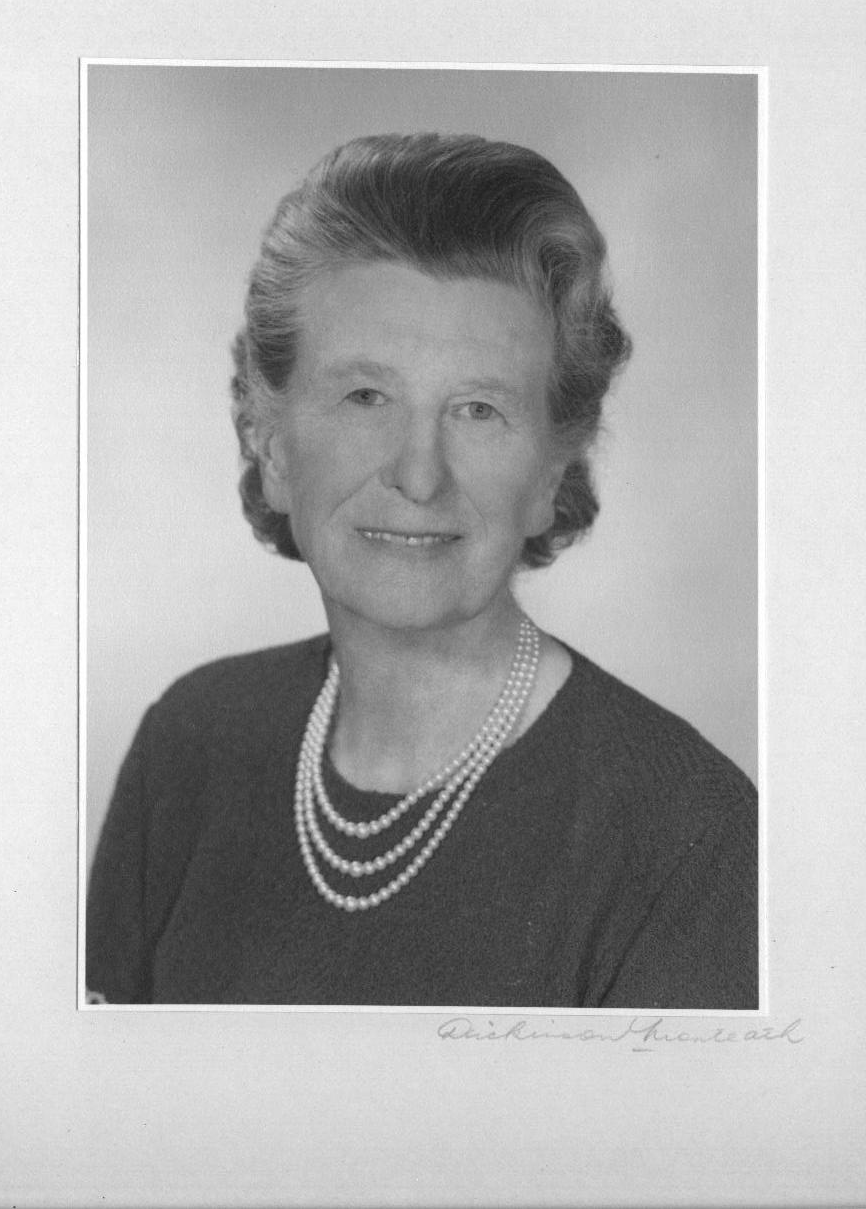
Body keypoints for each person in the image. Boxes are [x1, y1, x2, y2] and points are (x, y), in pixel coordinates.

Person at [86, 132, 757, 1008]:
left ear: (551, 474)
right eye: (365, 396)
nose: (419, 474)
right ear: (271, 442)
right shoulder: (191, 743)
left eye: (478, 410)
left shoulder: (687, 836)